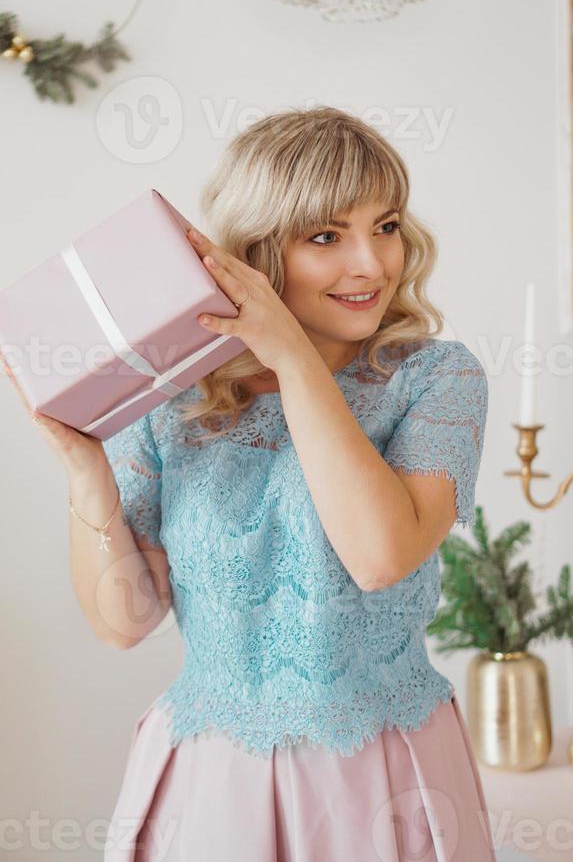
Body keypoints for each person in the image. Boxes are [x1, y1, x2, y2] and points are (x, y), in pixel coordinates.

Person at [4, 106, 496, 861]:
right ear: (258, 251)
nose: (371, 263)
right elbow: (123, 623)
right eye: (326, 236)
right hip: (209, 781)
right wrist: (85, 468)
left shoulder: (435, 378)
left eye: (387, 225)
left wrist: (293, 356)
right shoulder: (173, 395)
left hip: (382, 774)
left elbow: (379, 555)